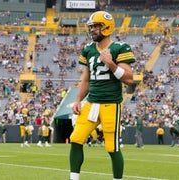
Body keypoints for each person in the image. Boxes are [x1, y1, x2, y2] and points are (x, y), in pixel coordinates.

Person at [69, 11, 135, 180]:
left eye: (96, 27)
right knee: (76, 138)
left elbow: (129, 79)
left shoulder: (120, 48)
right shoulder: (88, 49)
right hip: (92, 103)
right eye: (91, 27)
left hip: (111, 104)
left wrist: (111, 64)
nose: (92, 30)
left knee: (112, 148)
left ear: (107, 27)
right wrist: (78, 100)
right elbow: (86, 79)